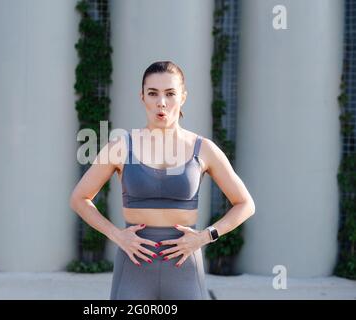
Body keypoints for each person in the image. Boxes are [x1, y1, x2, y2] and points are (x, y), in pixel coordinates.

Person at [69, 61, 256, 300]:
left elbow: (245, 204)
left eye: (170, 93)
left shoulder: (203, 148)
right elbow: (79, 198)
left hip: (185, 268)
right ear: (142, 97)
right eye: (153, 93)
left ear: (183, 97)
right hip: (133, 266)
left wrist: (205, 236)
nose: (161, 102)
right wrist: (117, 235)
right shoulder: (121, 146)